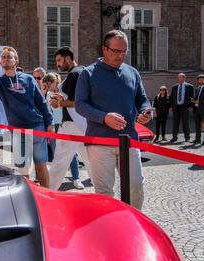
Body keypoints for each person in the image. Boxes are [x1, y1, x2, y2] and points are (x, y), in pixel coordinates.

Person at [75, 29, 152, 210]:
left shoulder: (132, 72)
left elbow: (142, 99)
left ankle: (134, 224)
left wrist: (146, 111)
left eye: (124, 51)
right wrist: (103, 117)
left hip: (130, 140)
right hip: (99, 141)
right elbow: (80, 105)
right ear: (104, 49)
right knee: (104, 192)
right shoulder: (88, 73)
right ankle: (110, 229)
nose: (121, 55)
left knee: (136, 186)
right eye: (116, 51)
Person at [0, 45, 54, 188]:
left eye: (9, 56)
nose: (6, 58)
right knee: (24, 170)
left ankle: (47, 196)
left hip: (37, 126)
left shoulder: (29, 79)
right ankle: (31, 198)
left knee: (41, 166)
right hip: (18, 131)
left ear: (16, 61)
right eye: (3, 57)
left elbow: (41, 102)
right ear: (1, 62)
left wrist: (49, 122)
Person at [47, 46, 91, 191]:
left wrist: (57, 102)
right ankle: (105, 194)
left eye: (59, 60)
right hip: (81, 125)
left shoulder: (74, 74)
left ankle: (47, 194)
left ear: (67, 58)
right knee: (91, 163)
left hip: (72, 125)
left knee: (59, 163)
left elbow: (76, 102)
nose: (58, 64)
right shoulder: (82, 71)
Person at [43, 73, 84, 189]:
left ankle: (76, 178)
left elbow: (69, 105)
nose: (47, 88)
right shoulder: (49, 95)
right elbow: (50, 110)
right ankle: (54, 184)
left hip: (70, 124)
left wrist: (60, 102)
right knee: (60, 154)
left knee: (73, 154)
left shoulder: (64, 89)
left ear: (53, 82)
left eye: (47, 85)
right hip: (58, 124)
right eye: (45, 86)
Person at [170, 73, 194, 142]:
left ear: (184, 78)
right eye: (178, 77)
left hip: (185, 107)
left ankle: (187, 137)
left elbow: (192, 97)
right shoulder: (174, 87)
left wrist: (191, 106)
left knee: (185, 123)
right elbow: (172, 98)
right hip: (176, 107)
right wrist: (171, 106)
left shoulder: (189, 86)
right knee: (175, 123)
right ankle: (174, 137)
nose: (179, 79)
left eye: (180, 77)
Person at [192, 74, 204, 145]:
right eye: (199, 79)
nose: (201, 80)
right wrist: (193, 101)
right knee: (197, 126)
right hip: (196, 110)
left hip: (203, 110)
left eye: (202, 79)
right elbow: (196, 99)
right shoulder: (197, 88)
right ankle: (197, 139)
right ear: (197, 80)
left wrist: (199, 101)